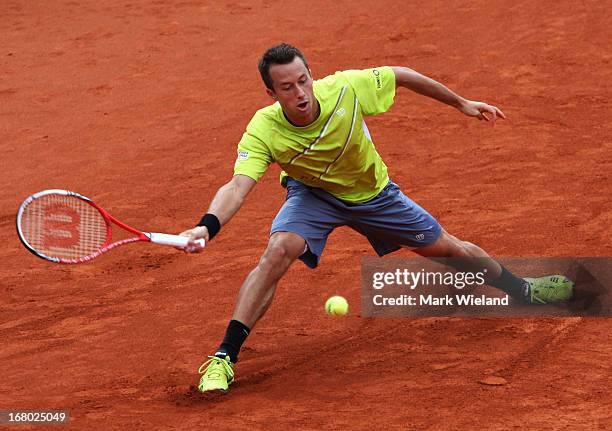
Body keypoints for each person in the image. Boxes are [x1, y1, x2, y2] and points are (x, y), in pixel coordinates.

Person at [179, 43, 573, 394]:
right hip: (314, 195)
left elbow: (402, 75)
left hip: (374, 194)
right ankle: (224, 357)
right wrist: (207, 226)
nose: (299, 93)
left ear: (312, 75)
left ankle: (523, 290)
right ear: (271, 92)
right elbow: (236, 186)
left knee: (448, 248)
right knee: (278, 250)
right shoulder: (264, 128)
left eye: (303, 81)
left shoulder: (346, 88)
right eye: (286, 87)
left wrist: (461, 103)